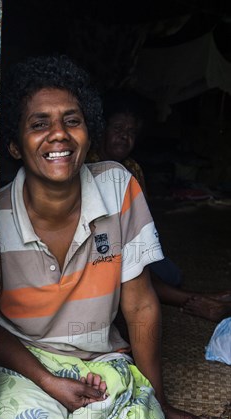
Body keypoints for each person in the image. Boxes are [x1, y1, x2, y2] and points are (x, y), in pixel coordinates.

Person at [0, 56, 231, 419]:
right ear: (16, 144)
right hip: (24, 363)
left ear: (87, 132)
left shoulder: (116, 186)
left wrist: (157, 399)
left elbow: (140, 302)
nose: (58, 134)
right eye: (39, 123)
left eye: (71, 121)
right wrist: (48, 382)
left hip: (99, 361)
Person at [96, 90, 231, 323]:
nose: (124, 137)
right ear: (102, 130)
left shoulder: (132, 168)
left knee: (171, 275)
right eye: (117, 129)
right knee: (131, 271)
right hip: (101, 246)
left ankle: (178, 292)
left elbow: (143, 219)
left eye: (130, 132)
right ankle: (195, 299)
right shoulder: (88, 163)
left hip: (129, 240)